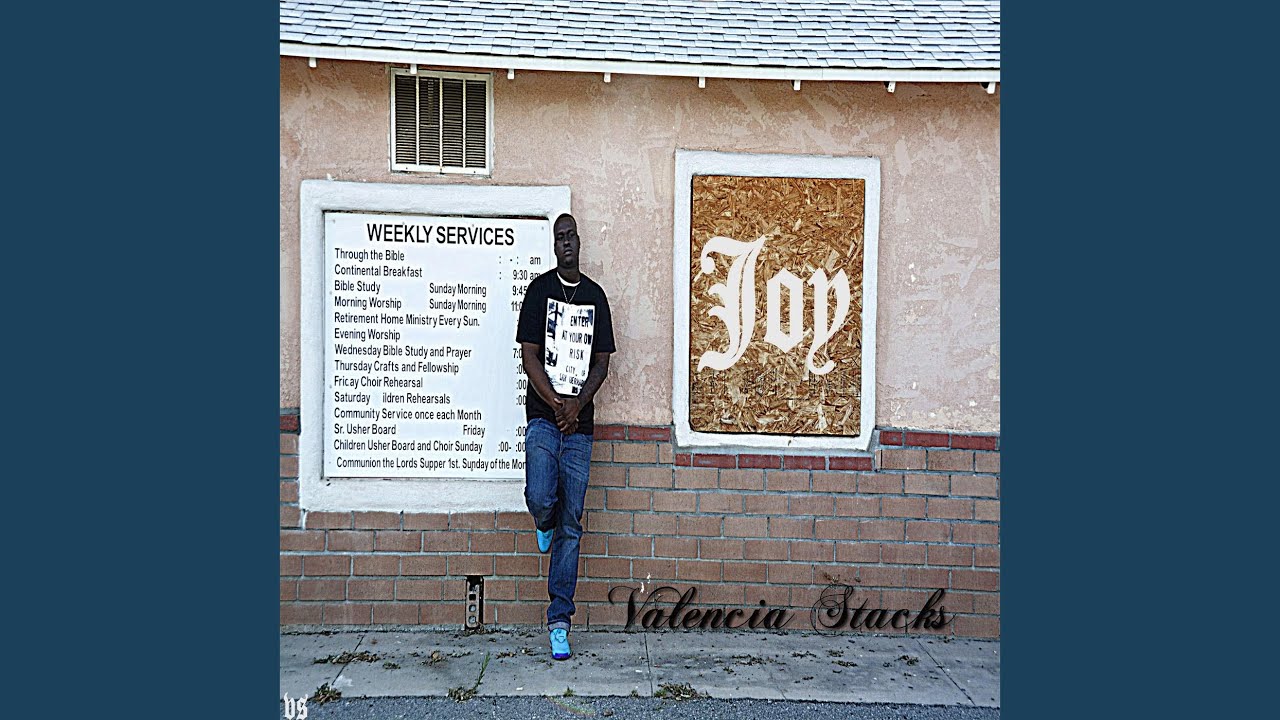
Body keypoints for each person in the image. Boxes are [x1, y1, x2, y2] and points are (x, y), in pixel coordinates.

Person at [515, 213, 615, 661]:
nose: (567, 242)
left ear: (579, 241)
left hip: (579, 427)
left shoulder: (595, 297)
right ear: (554, 246)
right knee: (541, 497)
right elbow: (529, 356)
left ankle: (559, 621)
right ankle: (542, 521)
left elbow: (602, 363)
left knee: (572, 523)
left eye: (572, 235)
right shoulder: (539, 291)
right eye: (560, 237)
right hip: (544, 418)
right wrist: (557, 403)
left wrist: (577, 405)